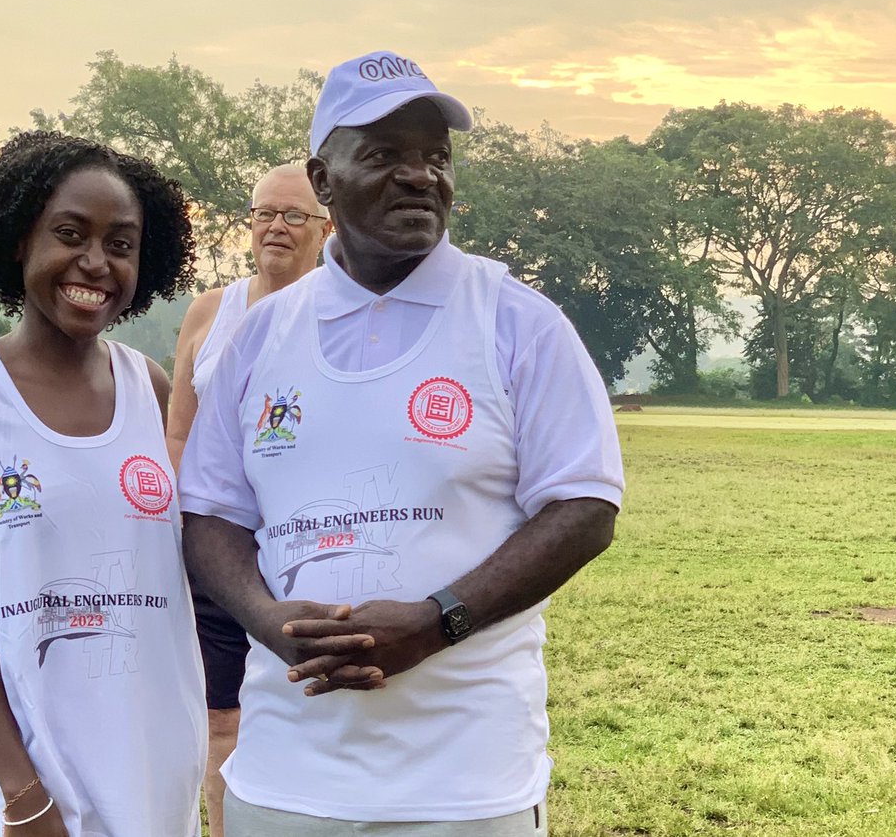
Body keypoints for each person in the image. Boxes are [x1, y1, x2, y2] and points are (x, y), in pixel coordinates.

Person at [179, 51, 625, 835]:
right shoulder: (260, 337)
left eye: (435, 158)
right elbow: (210, 514)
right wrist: (269, 620)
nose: (420, 176)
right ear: (323, 181)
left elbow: (585, 506)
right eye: (385, 155)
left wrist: (437, 620)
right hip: (286, 777)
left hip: (467, 783)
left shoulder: (517, 321)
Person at [0, 131, 207, 836]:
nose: (95, 263)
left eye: (121, 244)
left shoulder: (149, 387)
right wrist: (21, 790)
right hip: (39, 767)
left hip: (158, 755)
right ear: (18, 240)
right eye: (70, 234)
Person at [166, 163, 330, 837]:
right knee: (218, 713)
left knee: (304, 708)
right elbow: (179, 428)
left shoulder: (341, 313)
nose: (277, 228)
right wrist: (177, 532)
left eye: (296, 216)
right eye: (266, 213)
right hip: (215, 547)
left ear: (328, 228)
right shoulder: (211, 311)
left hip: (302, 547)